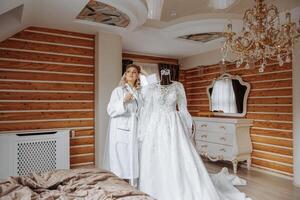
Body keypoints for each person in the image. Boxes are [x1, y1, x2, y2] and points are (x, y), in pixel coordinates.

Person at [138, 68, 250, 200]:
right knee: (158, 154)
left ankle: (181, 184)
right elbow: (147, 109)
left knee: (176, 153)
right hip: (156, 124)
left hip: (174, 124)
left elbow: (183, 107)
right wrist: (143, 130)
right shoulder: (152, 88)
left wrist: (188, 126)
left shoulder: (178, 86)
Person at [103, 64, 143, 186]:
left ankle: (133, 185)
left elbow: (141, 111)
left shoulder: (139, 93)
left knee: (133, 158)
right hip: (122, 129)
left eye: (134, 72)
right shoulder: (118, 91)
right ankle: (119, 186)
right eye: (128, 72)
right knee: (121, 159)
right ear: (125, 75)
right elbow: (110, 110)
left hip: (135, 128)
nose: (131, 74)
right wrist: (123, 101)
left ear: (137, 76)